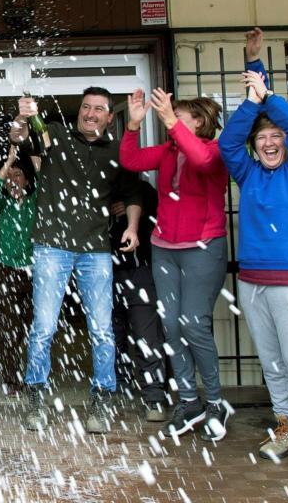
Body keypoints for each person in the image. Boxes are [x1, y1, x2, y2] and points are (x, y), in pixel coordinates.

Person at [219, 67, 288, 468]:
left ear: (286, 142)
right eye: (262, 138)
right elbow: (229, 144)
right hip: (253, 280)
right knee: (273, 362)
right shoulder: (249, 174)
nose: (268, 143)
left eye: (275, 137)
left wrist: (268, 98)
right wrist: (250, 105)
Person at [11, 87, 142, 434]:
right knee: (43, 328)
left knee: (101, 330)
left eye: (99, 109)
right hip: (51, 247)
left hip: (96, 250)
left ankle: (102, 397)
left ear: (109, 117)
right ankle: (35, 396)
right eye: (86, 107)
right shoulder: (54, 135)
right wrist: (23, 118)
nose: (91, 113)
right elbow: (20, 140)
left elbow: (133, 192)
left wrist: (131, 226)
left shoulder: (118, 151)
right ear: (79, 111)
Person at [119, 88, 230, 440]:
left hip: (202, 246)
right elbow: (131, 161)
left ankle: (215, 402)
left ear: (200, 122)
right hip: (164, 247)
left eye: (181, 117)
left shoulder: (215, 151)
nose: (173, 123)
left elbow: (201, 161)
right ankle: (187, 401)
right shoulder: (169, 150)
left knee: (194, 323)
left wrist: (168, 119)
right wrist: (134, 125)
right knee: (171, 326)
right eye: (172, 117)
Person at [108, 181, 168, 423]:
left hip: (139, 270)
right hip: (105, 268)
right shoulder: (101, 186)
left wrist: (139, 212)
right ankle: (120, 387)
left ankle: (154, 396)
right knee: (112, 334)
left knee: (146, 334)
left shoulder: (144, 190)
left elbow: (160, 219)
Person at [0, 144, 39, 394]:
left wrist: (28, 155)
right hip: (6, 270)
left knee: (35, 326)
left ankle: (35, 377)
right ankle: (11, 378)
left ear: (27, 179)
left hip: (34, 270)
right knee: (10, 327)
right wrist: (7, 164)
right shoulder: (2, 204)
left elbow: (44, 176)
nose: (12, 179)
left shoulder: (35, 201)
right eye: (10, 177)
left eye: (18, 175)